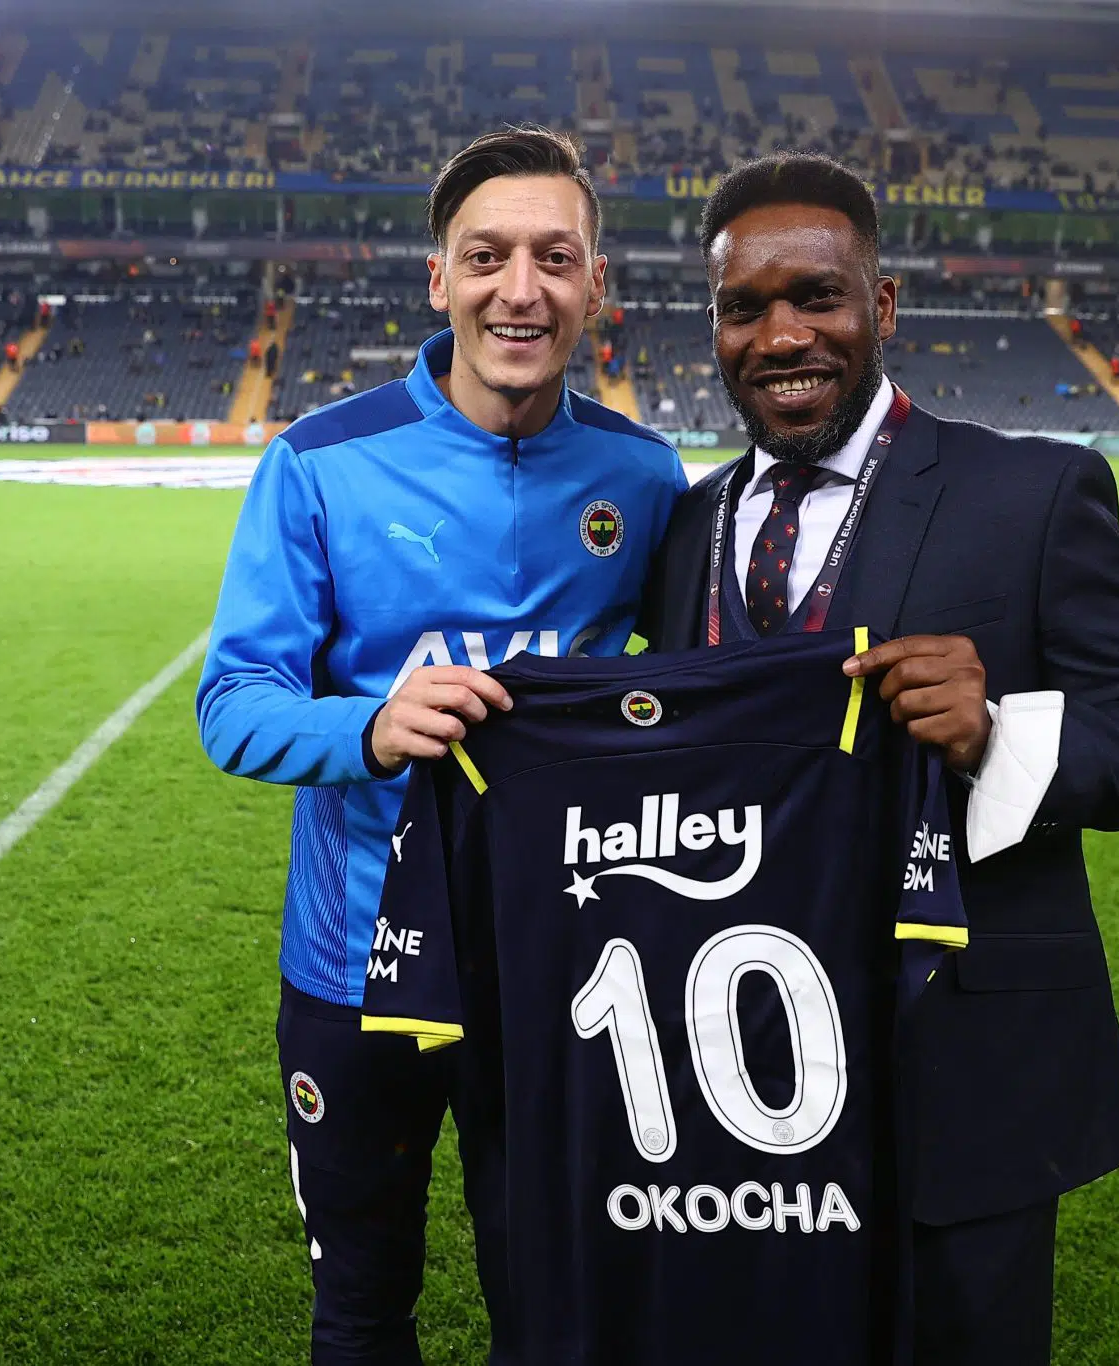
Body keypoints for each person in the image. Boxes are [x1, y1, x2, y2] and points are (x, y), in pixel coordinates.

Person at [638, 153, 1119, 1364]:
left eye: (817, 296)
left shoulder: (1032, 492)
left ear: (882, 304)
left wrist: (998, 732)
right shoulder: (685, 524)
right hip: (735, 1070)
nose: (780, 336)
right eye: (743, 308)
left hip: (962, 1075)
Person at [196, 126, 686, 1365]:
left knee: (558, 1301)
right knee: (362, 1311)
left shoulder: (642, 478)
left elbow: (689, 693)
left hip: (563, 961)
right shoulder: (318, 462)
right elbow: (233, 700)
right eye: (486, 256)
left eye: (554, 258)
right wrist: (368, 724)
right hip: (355, 963)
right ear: (438, 278)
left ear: (594, 284)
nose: (520, 289)